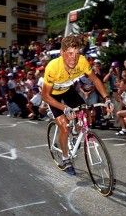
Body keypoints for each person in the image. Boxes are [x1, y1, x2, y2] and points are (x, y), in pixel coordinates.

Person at [42, 35, 112, 176]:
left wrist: (107, 98)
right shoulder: (53, 68)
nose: (74, 57)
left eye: (77, 53)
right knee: (64, 126)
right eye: (70, 53)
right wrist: (64, 108)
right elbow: (45, 96)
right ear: (62, 53)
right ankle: (66, 158)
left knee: (85, 112)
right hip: (53, 96)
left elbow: (96, 80)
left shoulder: (82, 61)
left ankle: (75, 133)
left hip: (68, 90)